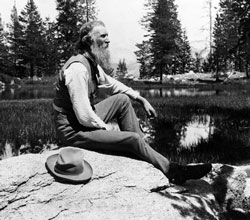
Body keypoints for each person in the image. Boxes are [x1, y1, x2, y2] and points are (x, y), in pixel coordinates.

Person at [53, 20, 212, 185]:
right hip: (72, 130)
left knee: (122, 100)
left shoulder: (91, 64)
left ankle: (142, 149)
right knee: (132, 139)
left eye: (108, 36)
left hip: (81, 121)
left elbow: (112, 84)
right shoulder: (78, 69)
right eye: (103, 36)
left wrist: (140, 99)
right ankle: (174, 171)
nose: (108, 40)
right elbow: (84, 116)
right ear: (89, 41)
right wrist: (108, 131)